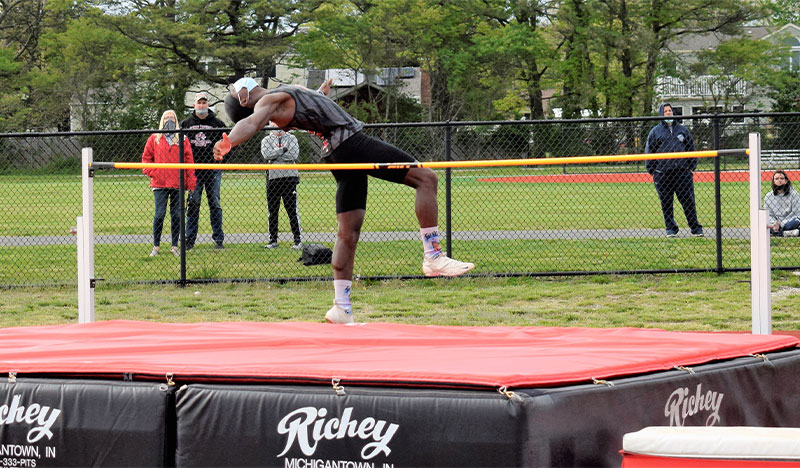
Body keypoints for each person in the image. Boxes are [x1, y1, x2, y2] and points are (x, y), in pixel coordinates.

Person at [214, 77, 475, 324]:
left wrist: (320, 94)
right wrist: (230, 142)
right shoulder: (268, 101)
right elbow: (252, 123)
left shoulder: (280, 95)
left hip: (337, 151)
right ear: (243, 99)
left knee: (348, 230)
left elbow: (310, 107)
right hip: (350, 143)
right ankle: (433, 255)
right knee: (426, 178)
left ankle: (341, 307)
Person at [142, 110, 196, 257]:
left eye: (172, 117)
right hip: (159, 184)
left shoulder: (182, 139)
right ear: (162, 120)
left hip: (178, 183)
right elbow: (146, 159)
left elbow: (189, 162)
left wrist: (191, 183)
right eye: (167, 117)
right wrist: (154, 172)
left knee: (177, 215)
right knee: (159, 214)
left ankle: (174, 246)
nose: (169, 120)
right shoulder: (154, 138)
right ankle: (156, 246)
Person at [645, 103, 703, 238]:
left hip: (682, 173)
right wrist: (653, 170)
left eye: (670, 110)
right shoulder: (655, 132)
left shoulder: (683, 130)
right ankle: (670, 229)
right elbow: (650, 151)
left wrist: (691, 167)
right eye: (665, 111)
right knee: (666, 202)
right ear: (661, 114)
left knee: (688, 201)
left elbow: (691, 148)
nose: (668, 113)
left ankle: (695, 228)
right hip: (663, 174)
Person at [181, 92, 227, 250]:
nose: (201, 105)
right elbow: (180, 147)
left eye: (204, 102)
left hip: (213, 170)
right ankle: (189, 239)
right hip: (194, 171)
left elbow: (227, 145)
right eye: (199, 102)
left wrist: (222, 161)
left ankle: (218, 238)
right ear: (194, 105)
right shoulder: (186, 124)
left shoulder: (218, 124)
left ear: (208, 105)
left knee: (214, 203)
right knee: (193, 204)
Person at [261, 126, 303, 249]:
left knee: (292, 210)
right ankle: (273, 240)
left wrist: (276, 156)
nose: (277, 126)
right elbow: (267, 155)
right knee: (273, 210)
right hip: (273, 178)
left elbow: (293, 155)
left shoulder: (292, 138)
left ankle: (297, 240)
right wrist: (283, 150)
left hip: (290, 177)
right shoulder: (266, 140)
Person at [765, 170, 800, 237]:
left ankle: (779, 233)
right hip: (775, 224)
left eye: (782, 178)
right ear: (773, 181)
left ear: (786, 181)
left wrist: (781, 224)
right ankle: (787, 233)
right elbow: (769, 215)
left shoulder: (794, 194)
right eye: (777, 178)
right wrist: (775, 223)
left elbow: (796, 213)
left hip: (790, 221)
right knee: (762, 224)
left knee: (796, 221)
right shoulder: (768, 196)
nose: (779, 180)